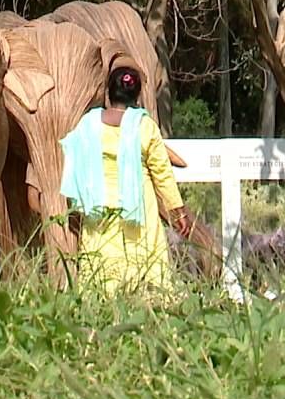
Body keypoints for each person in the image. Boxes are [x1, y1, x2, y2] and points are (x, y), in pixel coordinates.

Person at [59, 61, 194, 295]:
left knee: (101, 267)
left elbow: (71, 158)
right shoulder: (145, 127)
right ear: (137, 96)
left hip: (97, 209)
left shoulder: (87, 124)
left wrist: (73, 204)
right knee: (145, 267)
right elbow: (162, 173)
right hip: (140, 211)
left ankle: (100, 309)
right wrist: (178, 211)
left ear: (108, 92)